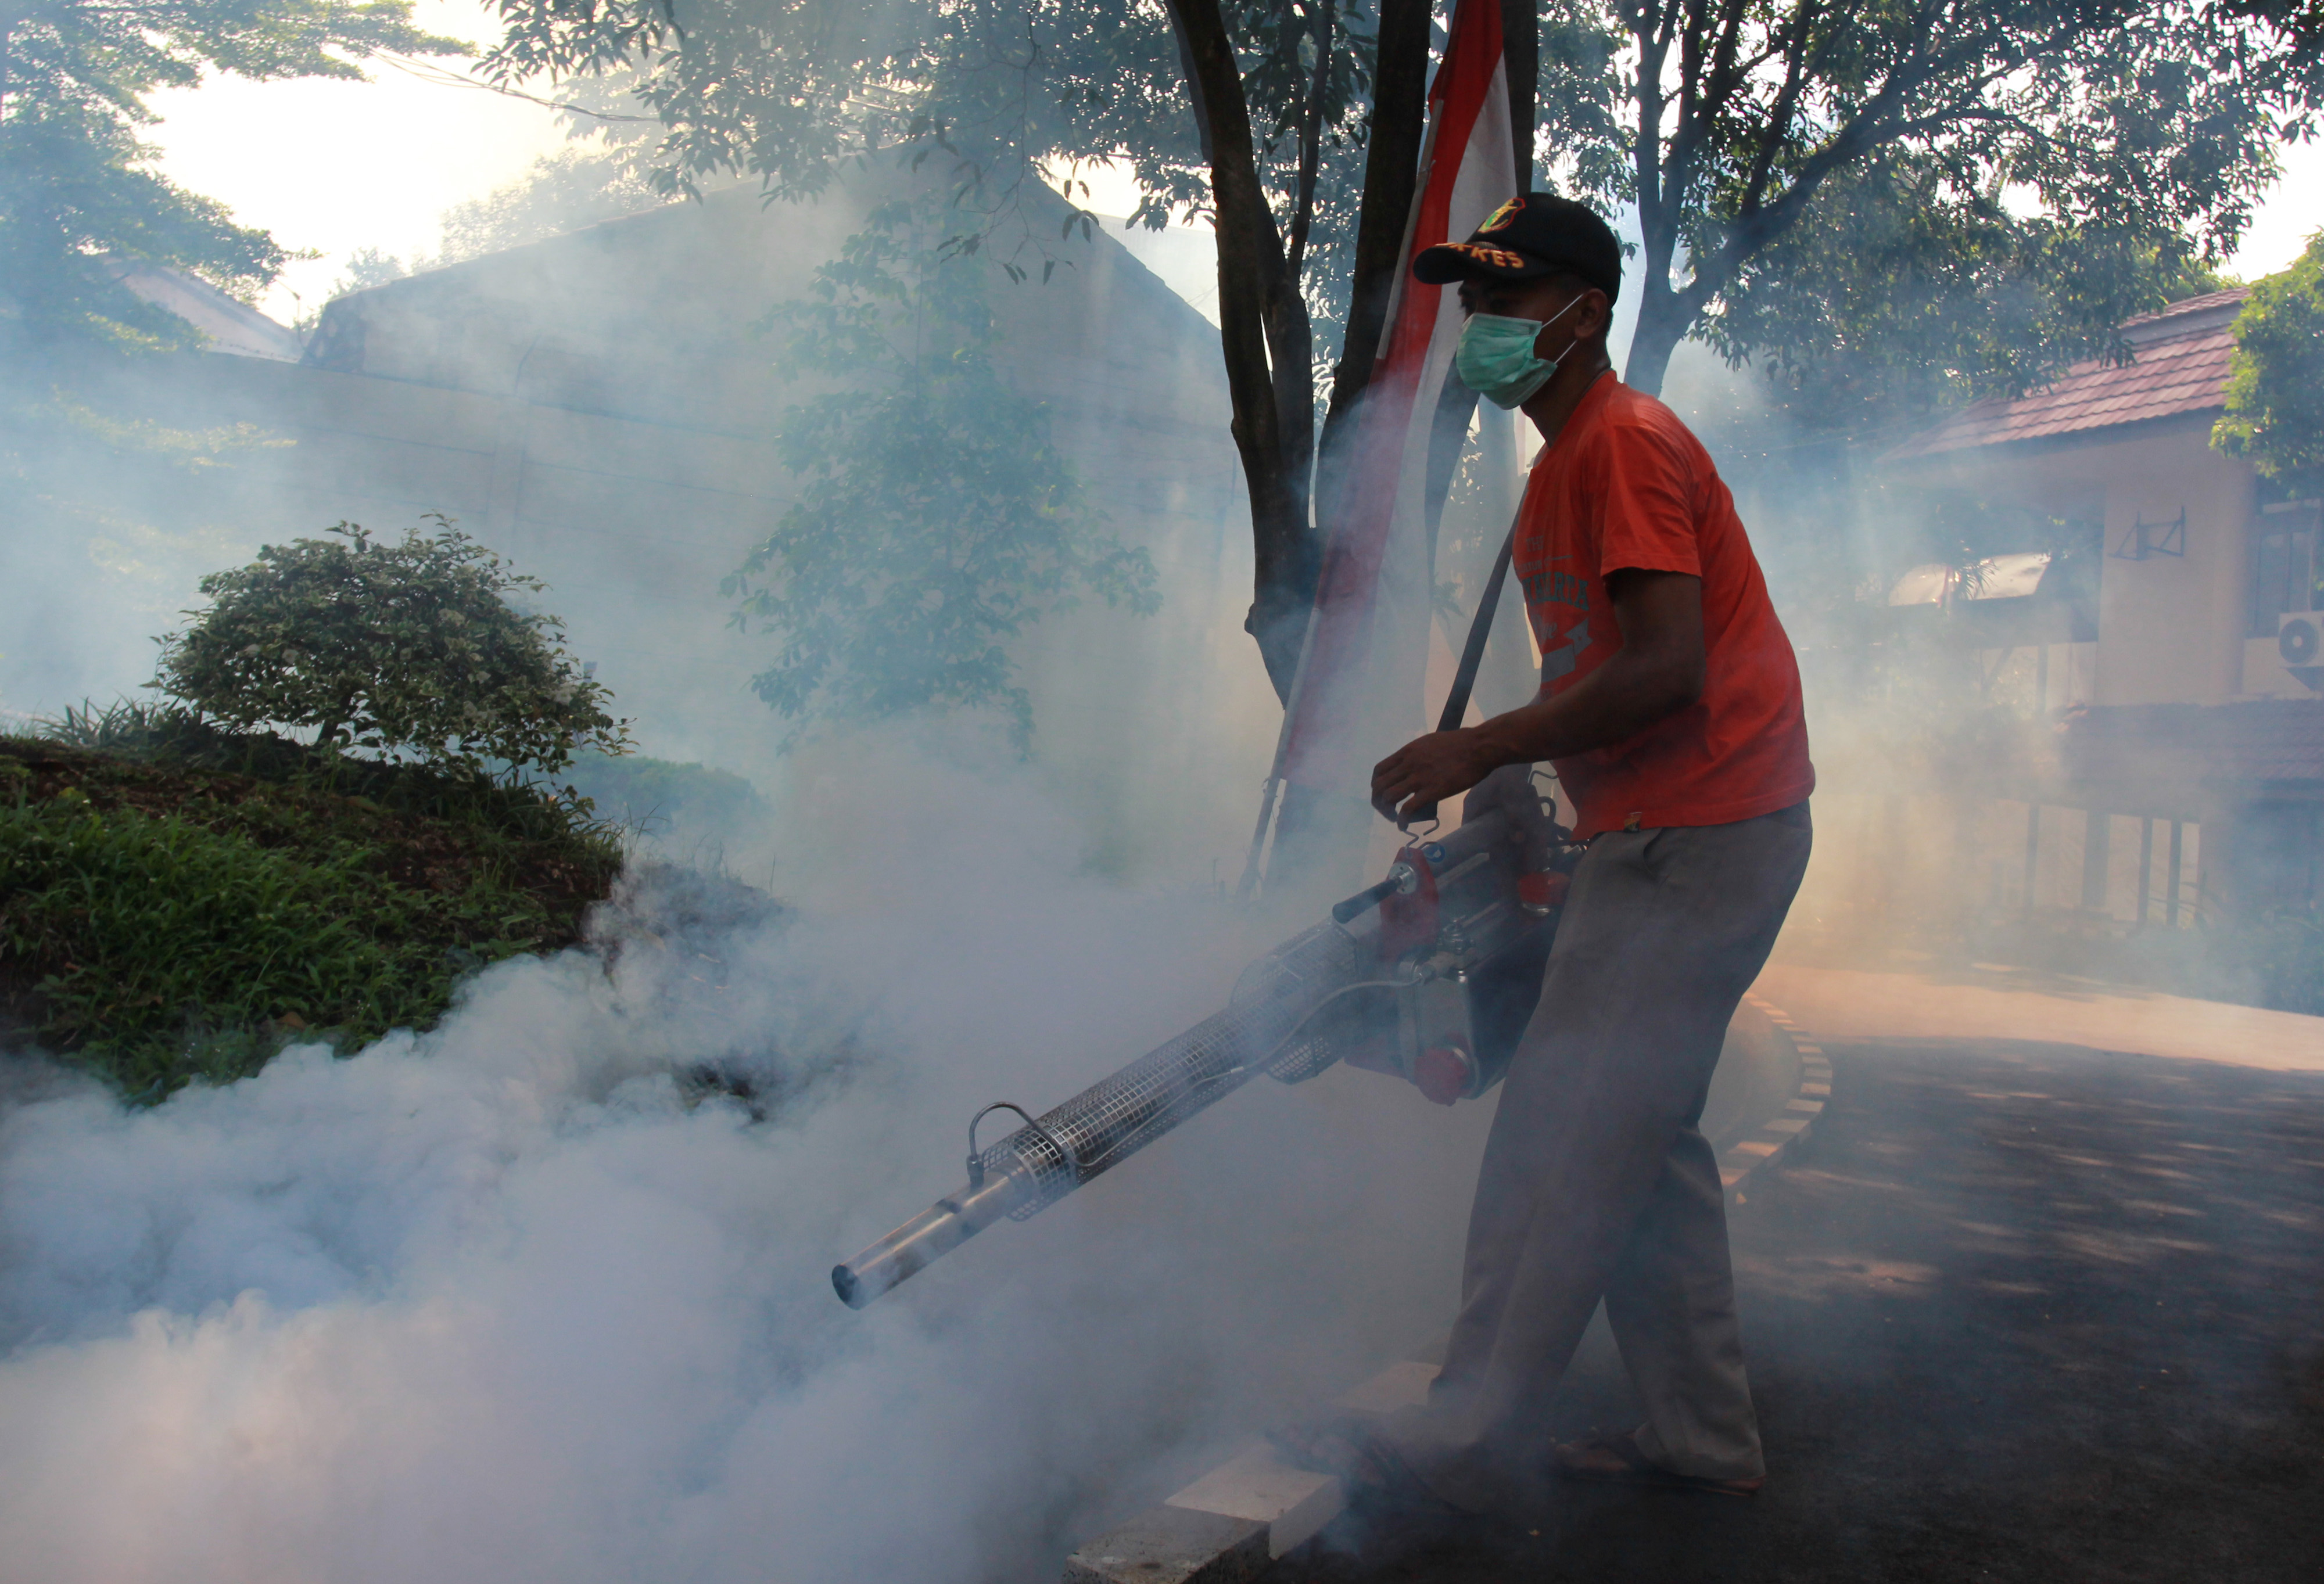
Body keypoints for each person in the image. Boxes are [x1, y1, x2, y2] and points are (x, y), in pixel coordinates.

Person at [1333, 192, 1817, 1514]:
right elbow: (1610, 672)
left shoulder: (1622, 445)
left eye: (1500, 299)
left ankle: (1472, 1423)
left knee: (1561, 1128)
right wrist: (1530, 784)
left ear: (1580, 311)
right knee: (1636, 1132)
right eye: (1469, 301)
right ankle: (1702, 1438)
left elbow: (1666, 669)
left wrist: (1482, 747)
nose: (1477, 324)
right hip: (1674, 823)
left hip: (1702, 828)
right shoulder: (1566, 462)